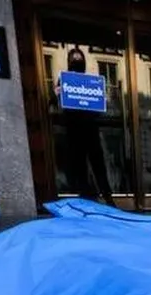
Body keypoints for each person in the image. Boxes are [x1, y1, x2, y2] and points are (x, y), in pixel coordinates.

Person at [59, 48, 115, 206]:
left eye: (79, 58)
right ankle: (87, 198)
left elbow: (99, 108)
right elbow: (56, 103)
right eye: (74, 58)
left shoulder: (91, 82)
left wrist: (104, 100)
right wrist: (56, 93)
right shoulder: (63, 80)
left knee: (98, 164)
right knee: (80, 165)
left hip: (91, 128)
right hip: (74, 130)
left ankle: (108, 197)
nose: (77, 61)